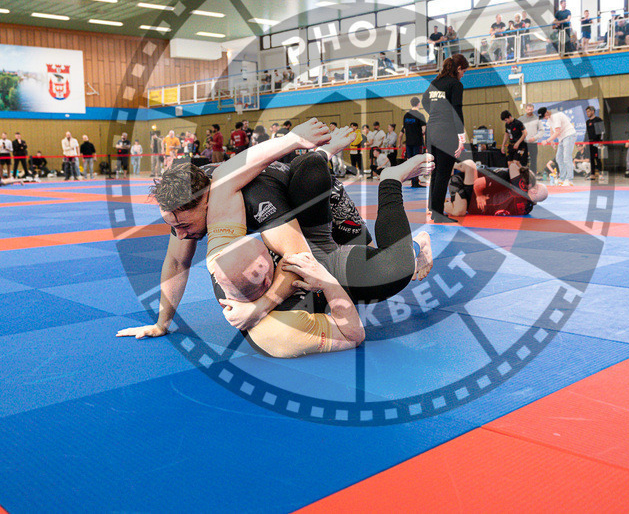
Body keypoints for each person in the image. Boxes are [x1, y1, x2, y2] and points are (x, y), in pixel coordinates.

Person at [117, 121, 433, 356]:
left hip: (315, 210)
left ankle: (387, 183)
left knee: (385, 265)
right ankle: (321, 154)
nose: (182, 234)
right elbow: (175, 260)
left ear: (209, 202)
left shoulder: (254, 199)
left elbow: (303, 260)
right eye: (175, 226)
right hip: (278, 222)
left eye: (185, 225)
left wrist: (259, 308)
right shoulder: (188, 207)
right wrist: (162, 322)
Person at [423, 53, 469, 222]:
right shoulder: (455, 84)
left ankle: (432, 207)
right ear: (458, 69)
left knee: (435, 173)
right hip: (446, 131)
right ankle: (438, 213)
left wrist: (435, 113)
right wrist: (461, 135)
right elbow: (457, 109)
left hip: (431, 130)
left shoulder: (435, 82)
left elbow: (424, 101)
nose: (463, 74)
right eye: (463, 71)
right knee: (443, 174)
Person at [444, 159, 547, 217]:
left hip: (474, 200)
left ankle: (452, 201)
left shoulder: (528, 205)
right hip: (470, 185)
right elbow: (477, 183)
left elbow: (533, 199)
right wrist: (479, 196)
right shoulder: (510, 181)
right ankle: (454, 166)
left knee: (461, 208)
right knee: (459, 212)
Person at [539, 105, 576, 187]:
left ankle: (569, 180)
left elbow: (557, 132)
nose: (544, 118)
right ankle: (562, 178)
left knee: (567, 157)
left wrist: (547, 140)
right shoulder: (549, 118)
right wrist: (552, 140)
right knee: (559, 158)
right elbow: (552, 129)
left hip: (569, 135)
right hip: (562, 138)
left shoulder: (555, 115)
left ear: (546, 113)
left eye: (544, 116)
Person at [402, 96, 427, 188]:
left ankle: (413, 181)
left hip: (408, 143)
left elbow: (404, 129)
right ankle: (415, 182)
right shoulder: (420, 115)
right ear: (418, 103)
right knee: (417, 163)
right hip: (417, 142)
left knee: (411, 163)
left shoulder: (406, 115)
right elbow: (423, 130)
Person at [518, 103, 540, 173]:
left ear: (533, 109)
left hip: (533, 143)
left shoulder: (537, 119)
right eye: (528, 109)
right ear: (525, 110)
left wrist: (535, 137)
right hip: (523, 143)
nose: (529, 111)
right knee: (522, 160)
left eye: (531, 109)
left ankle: (533, 175)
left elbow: (542, 131)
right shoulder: (521, 119)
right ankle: (522, 175)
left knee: (533, 160)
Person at [584, 106, 603, 180]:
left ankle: (601, 174)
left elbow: (602, 131)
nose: (587, 113)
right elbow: (587, 133)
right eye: (586, 112)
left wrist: (600, 141)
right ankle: (592, 174)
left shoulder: (598, 120)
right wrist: (585, 142)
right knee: (591, 158)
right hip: (590, 142)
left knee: (597, 158)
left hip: (597, 142)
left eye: (588, 111)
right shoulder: (587, 122)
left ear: (593, 111)